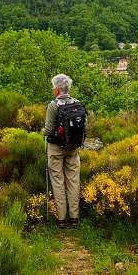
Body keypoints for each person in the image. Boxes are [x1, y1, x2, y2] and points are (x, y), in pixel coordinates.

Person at [41, 73, 88, 228]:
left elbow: (48, 131)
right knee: (73, 181)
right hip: (73, 148)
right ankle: (74, 218)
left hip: (56, 148)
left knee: (58, 181)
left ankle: (61, 219)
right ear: (68, 88)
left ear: (56, 89)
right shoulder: (77, 104)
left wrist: (42, 132)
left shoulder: (53, 105)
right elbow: (84, 126)